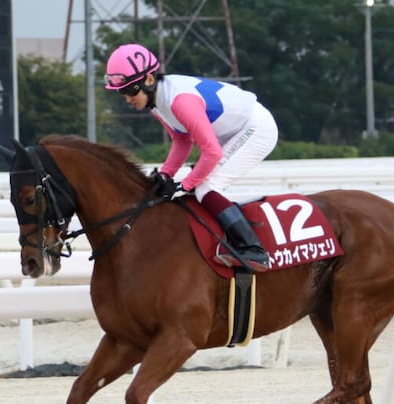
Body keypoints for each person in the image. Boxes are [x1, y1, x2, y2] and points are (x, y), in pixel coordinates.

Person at [104, 43, 279, 272]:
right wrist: (166, 175)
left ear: (148, 80)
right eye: (121, 92)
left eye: (129, 90)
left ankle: (254, 249)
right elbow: (182, 140)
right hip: (231, 133)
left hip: (256, 128)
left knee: (206, 186)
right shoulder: (157, 103)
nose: (127, 98)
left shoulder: (180, 101)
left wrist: (184, 185)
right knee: (201, 184)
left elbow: (212, 152)